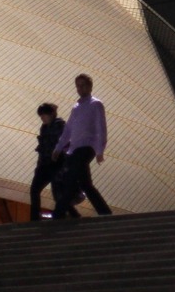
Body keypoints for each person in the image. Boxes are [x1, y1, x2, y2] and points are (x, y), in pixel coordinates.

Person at [51, 74, 112, 218]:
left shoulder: (95, 104)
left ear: (90, 86)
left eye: (83, 85)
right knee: (85, 184)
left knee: (70, 179)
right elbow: (68, 130)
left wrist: (99, 150)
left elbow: (101, 127)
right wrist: (58, 148)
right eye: (78, 86)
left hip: (87, 147)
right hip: (75, 149)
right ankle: (105, 212)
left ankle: (58, 214)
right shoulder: (76, 107)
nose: (80, 88)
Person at [28, 103, 65, 221]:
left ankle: (64, 216)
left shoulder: (60, 125)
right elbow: (43, 147)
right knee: (35, 190)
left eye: (44, 115)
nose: (42, 118)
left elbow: (60, 144)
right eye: (41, 116)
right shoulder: (44, 127)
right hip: (44, 164)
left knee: (57, 192)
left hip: (56, 163)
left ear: (51, 114)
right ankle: (34, 219)